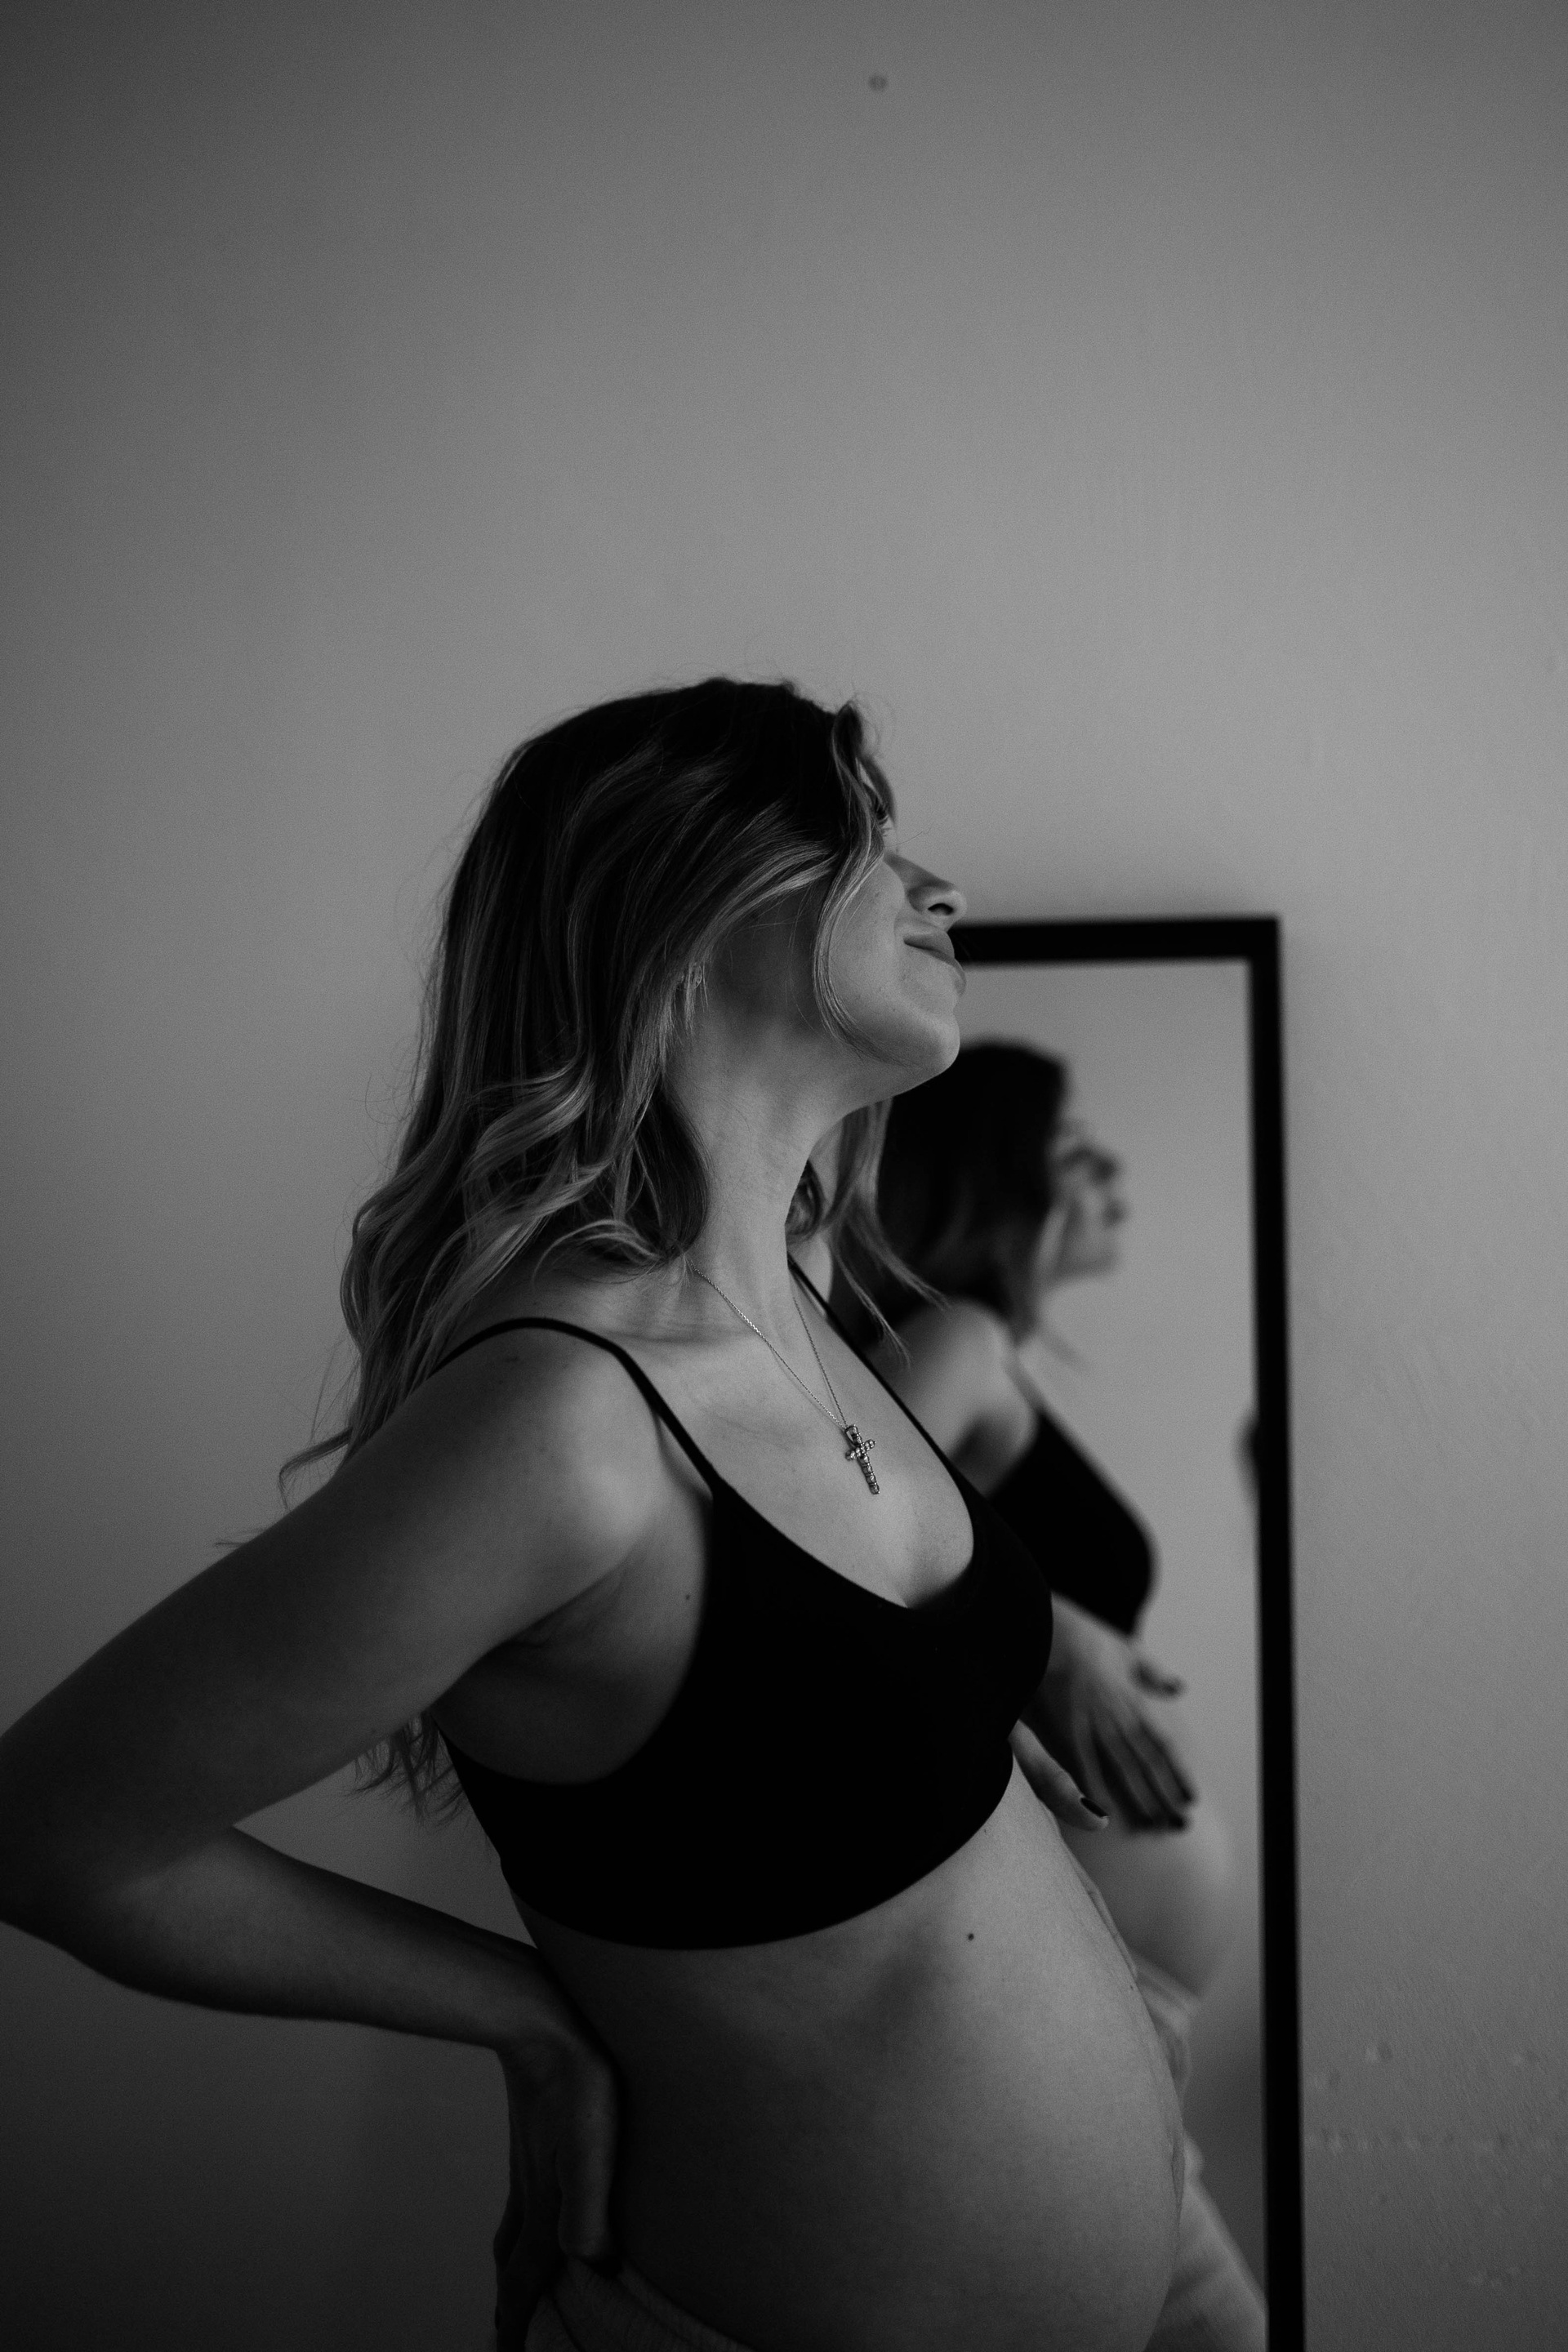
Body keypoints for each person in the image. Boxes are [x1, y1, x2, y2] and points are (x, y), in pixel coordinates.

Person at [0, 679, 1189, 2352]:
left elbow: (819, 1709)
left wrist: (1005, 1670)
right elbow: (56, 1832)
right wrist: (522, 2012)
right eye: (864, 833)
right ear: (685, 897)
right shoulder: (564, 1428)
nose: (944, 890)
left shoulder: (805, 1301)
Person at [871, 1040, 1268, 2349]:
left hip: (1109, 1995)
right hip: (1062, 1997)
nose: (1109, 1174)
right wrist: (1047, 1631)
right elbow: (826, 1558)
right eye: (1072, 1147)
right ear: (998, 1177)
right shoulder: (962, 1340)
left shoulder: (995, 1359)